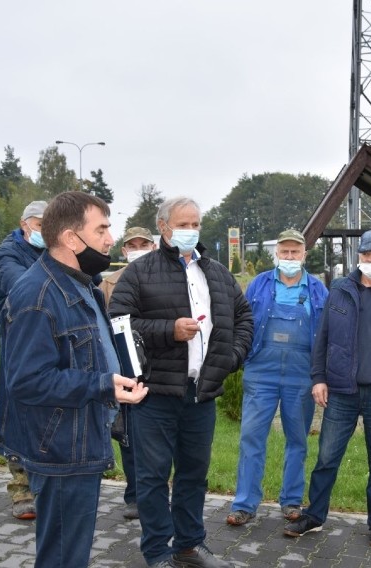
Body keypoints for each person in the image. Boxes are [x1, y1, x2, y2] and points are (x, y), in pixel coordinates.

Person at [0, 192, 149, 567]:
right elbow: (26, 380)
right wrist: (101, 385)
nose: (110, 239)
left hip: (81, 437)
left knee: (70, 553)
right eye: (101, 229)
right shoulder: (38, 294)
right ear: (70, 238)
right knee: (63, 555)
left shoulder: (81, 282)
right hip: (61, 447)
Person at [109, 196, 252, 568]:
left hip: (199, 394)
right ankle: (157, 552)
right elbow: (119, 324)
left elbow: (244, 317)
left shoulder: (217, 273)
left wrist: (230, 358)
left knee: (193, 475)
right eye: (183, 224)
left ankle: (189, 546)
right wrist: (168, 330)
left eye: (195, 224)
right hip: (154, 394)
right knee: (153, 478)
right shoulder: (140, 273)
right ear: (163, 227)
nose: (190, 230)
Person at [282, 229, 371, 549]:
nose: (370, 260)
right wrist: (319, 378)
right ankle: (314, 516)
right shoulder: (340, 289)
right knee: (327, 457)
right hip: (342, 391)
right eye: (365, 254)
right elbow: (324, 338)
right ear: (358, 256)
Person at [226, 229, 328, 527]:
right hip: (262, 371)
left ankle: (292, 501)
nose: (289, 257)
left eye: (295, 252)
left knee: (297, 439)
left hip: (302, 373)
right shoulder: (258, 285)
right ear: (277, 254)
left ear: (304, 255)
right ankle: (244, 504)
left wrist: (322, 374)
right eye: (284, 252)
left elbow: (327, 334)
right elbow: (241, 322)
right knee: (251, 437)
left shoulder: (318, 290)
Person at [0, 199, 47, 520]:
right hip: (18, 347)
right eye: (40, 225)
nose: (44, 231)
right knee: (16, 415)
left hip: (51, 347)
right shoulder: (8, 253)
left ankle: (45, 483)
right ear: (24, 223)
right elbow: (19, 285)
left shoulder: (55, 251)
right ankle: (20, 489)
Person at [99, 226, 157, 521]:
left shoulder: (166, 278)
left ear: (153, 246)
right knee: (129, 436)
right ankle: (134, 496)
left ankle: (157, 494)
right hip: (126, 370)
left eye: (143, 244)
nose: (137, 249)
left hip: (159, 368)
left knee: (158, 437)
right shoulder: (108, 285)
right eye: (131, 245)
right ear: (124, 251)